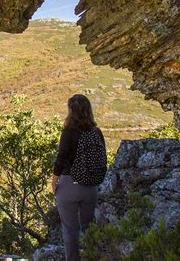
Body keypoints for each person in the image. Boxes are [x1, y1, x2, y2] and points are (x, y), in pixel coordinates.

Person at [51, 94, 106, 261]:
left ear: (71, 111)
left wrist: (54, 181)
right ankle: (92, 256)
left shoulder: (69, 132)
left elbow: (61, 158)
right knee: (89, 227)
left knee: (70, 229)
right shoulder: (96, 132)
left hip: (70, 185)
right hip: (91, 187)